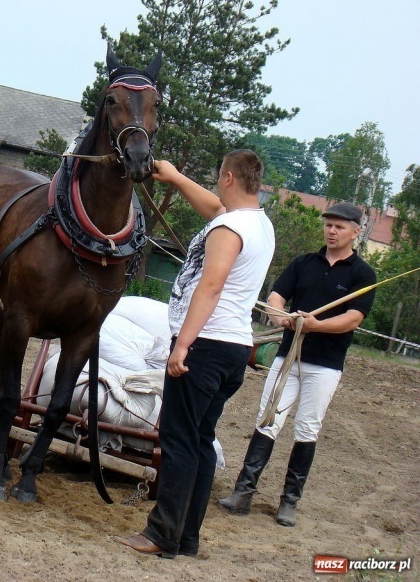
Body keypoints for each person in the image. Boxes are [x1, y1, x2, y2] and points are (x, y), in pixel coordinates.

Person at [116, 149, 274, 558]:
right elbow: (216, 207)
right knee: (201, 440)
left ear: (226, 178)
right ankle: (186, 537)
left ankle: (161, 534)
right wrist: (175, 178)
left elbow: (211, 286)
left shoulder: (228, 229)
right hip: (234, 347)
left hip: (206, 345)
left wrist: (183, 342)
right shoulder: (256, 223)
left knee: (179, 440)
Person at [217, 202, 376, 527]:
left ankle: (289, 502)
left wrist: (315, 325)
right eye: (329, 225)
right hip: (287, 356)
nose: (332, 231)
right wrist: (282, 317)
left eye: (339, 227)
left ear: (355, 233)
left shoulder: (362, 274)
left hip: (326, 364)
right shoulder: (304, 263)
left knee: (307, 427)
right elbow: (276, 297)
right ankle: (242, 493)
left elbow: (352, 318)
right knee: (268, 419)